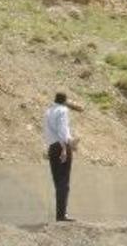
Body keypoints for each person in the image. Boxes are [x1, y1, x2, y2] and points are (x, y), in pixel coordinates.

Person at [43, 92, 77, 222]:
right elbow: (62, 130)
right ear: (64, 101)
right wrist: (64, 148)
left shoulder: (48, 111)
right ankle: (62, 215)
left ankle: (60, 215)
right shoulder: (63, 110)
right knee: (64, 182)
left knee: (58, 182)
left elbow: (48, 132)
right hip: (62, 146)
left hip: (52, 147)